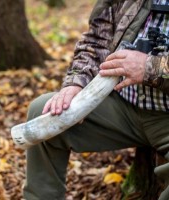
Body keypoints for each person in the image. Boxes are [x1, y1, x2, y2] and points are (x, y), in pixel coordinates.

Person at [23, 0, 169, 199]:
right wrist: (76, 84)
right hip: (124, 106)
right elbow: (97, 39)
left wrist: (152, 67)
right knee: (43, 114)